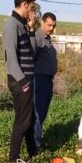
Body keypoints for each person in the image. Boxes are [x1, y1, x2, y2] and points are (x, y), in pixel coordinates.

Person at [2, 0, 38, 162]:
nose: (33, 12)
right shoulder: (10, 24)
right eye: (31, 8)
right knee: (22, 122)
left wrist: (31, 30)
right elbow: (10, 57)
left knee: (30, 119)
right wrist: (24, 82)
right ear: (24, 4)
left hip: (26, 80)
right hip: (20, 81)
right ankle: (12, 161)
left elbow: (31, 52)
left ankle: (33, 153)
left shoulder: (21, 25)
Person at [33, 12, 58, 151]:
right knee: (37, 114)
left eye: (53, 26)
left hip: (47, 80)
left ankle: (36, 142)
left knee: (42, 113)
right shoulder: (37, 37)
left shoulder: (47, 39)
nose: (51, 28)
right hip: (39, 79)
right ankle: (35, 146)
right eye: (49, 25)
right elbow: (31, 59)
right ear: (42, 22)